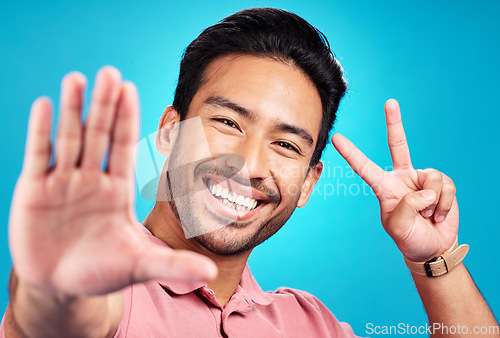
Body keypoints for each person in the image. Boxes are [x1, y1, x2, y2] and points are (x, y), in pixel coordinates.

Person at [1, 7, 498, 338]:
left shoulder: (308, 324)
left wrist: (435, 262)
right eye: (227, 122)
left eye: (284, 144)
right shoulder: (109, 288)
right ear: (170, 132)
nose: (251, 166)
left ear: (308, 183)